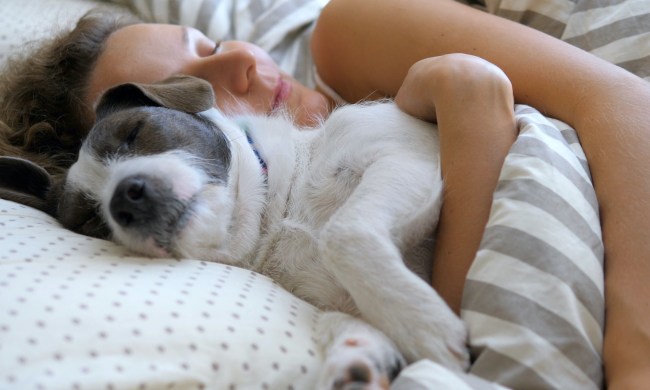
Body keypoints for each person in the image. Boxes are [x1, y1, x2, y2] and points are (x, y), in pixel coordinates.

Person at [0, 0, 648, 387]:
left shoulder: (343, 33)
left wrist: (636, 362)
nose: (244, 64)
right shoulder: (264, 253)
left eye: (210, 45)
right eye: (188, 80)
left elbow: (621, 100)